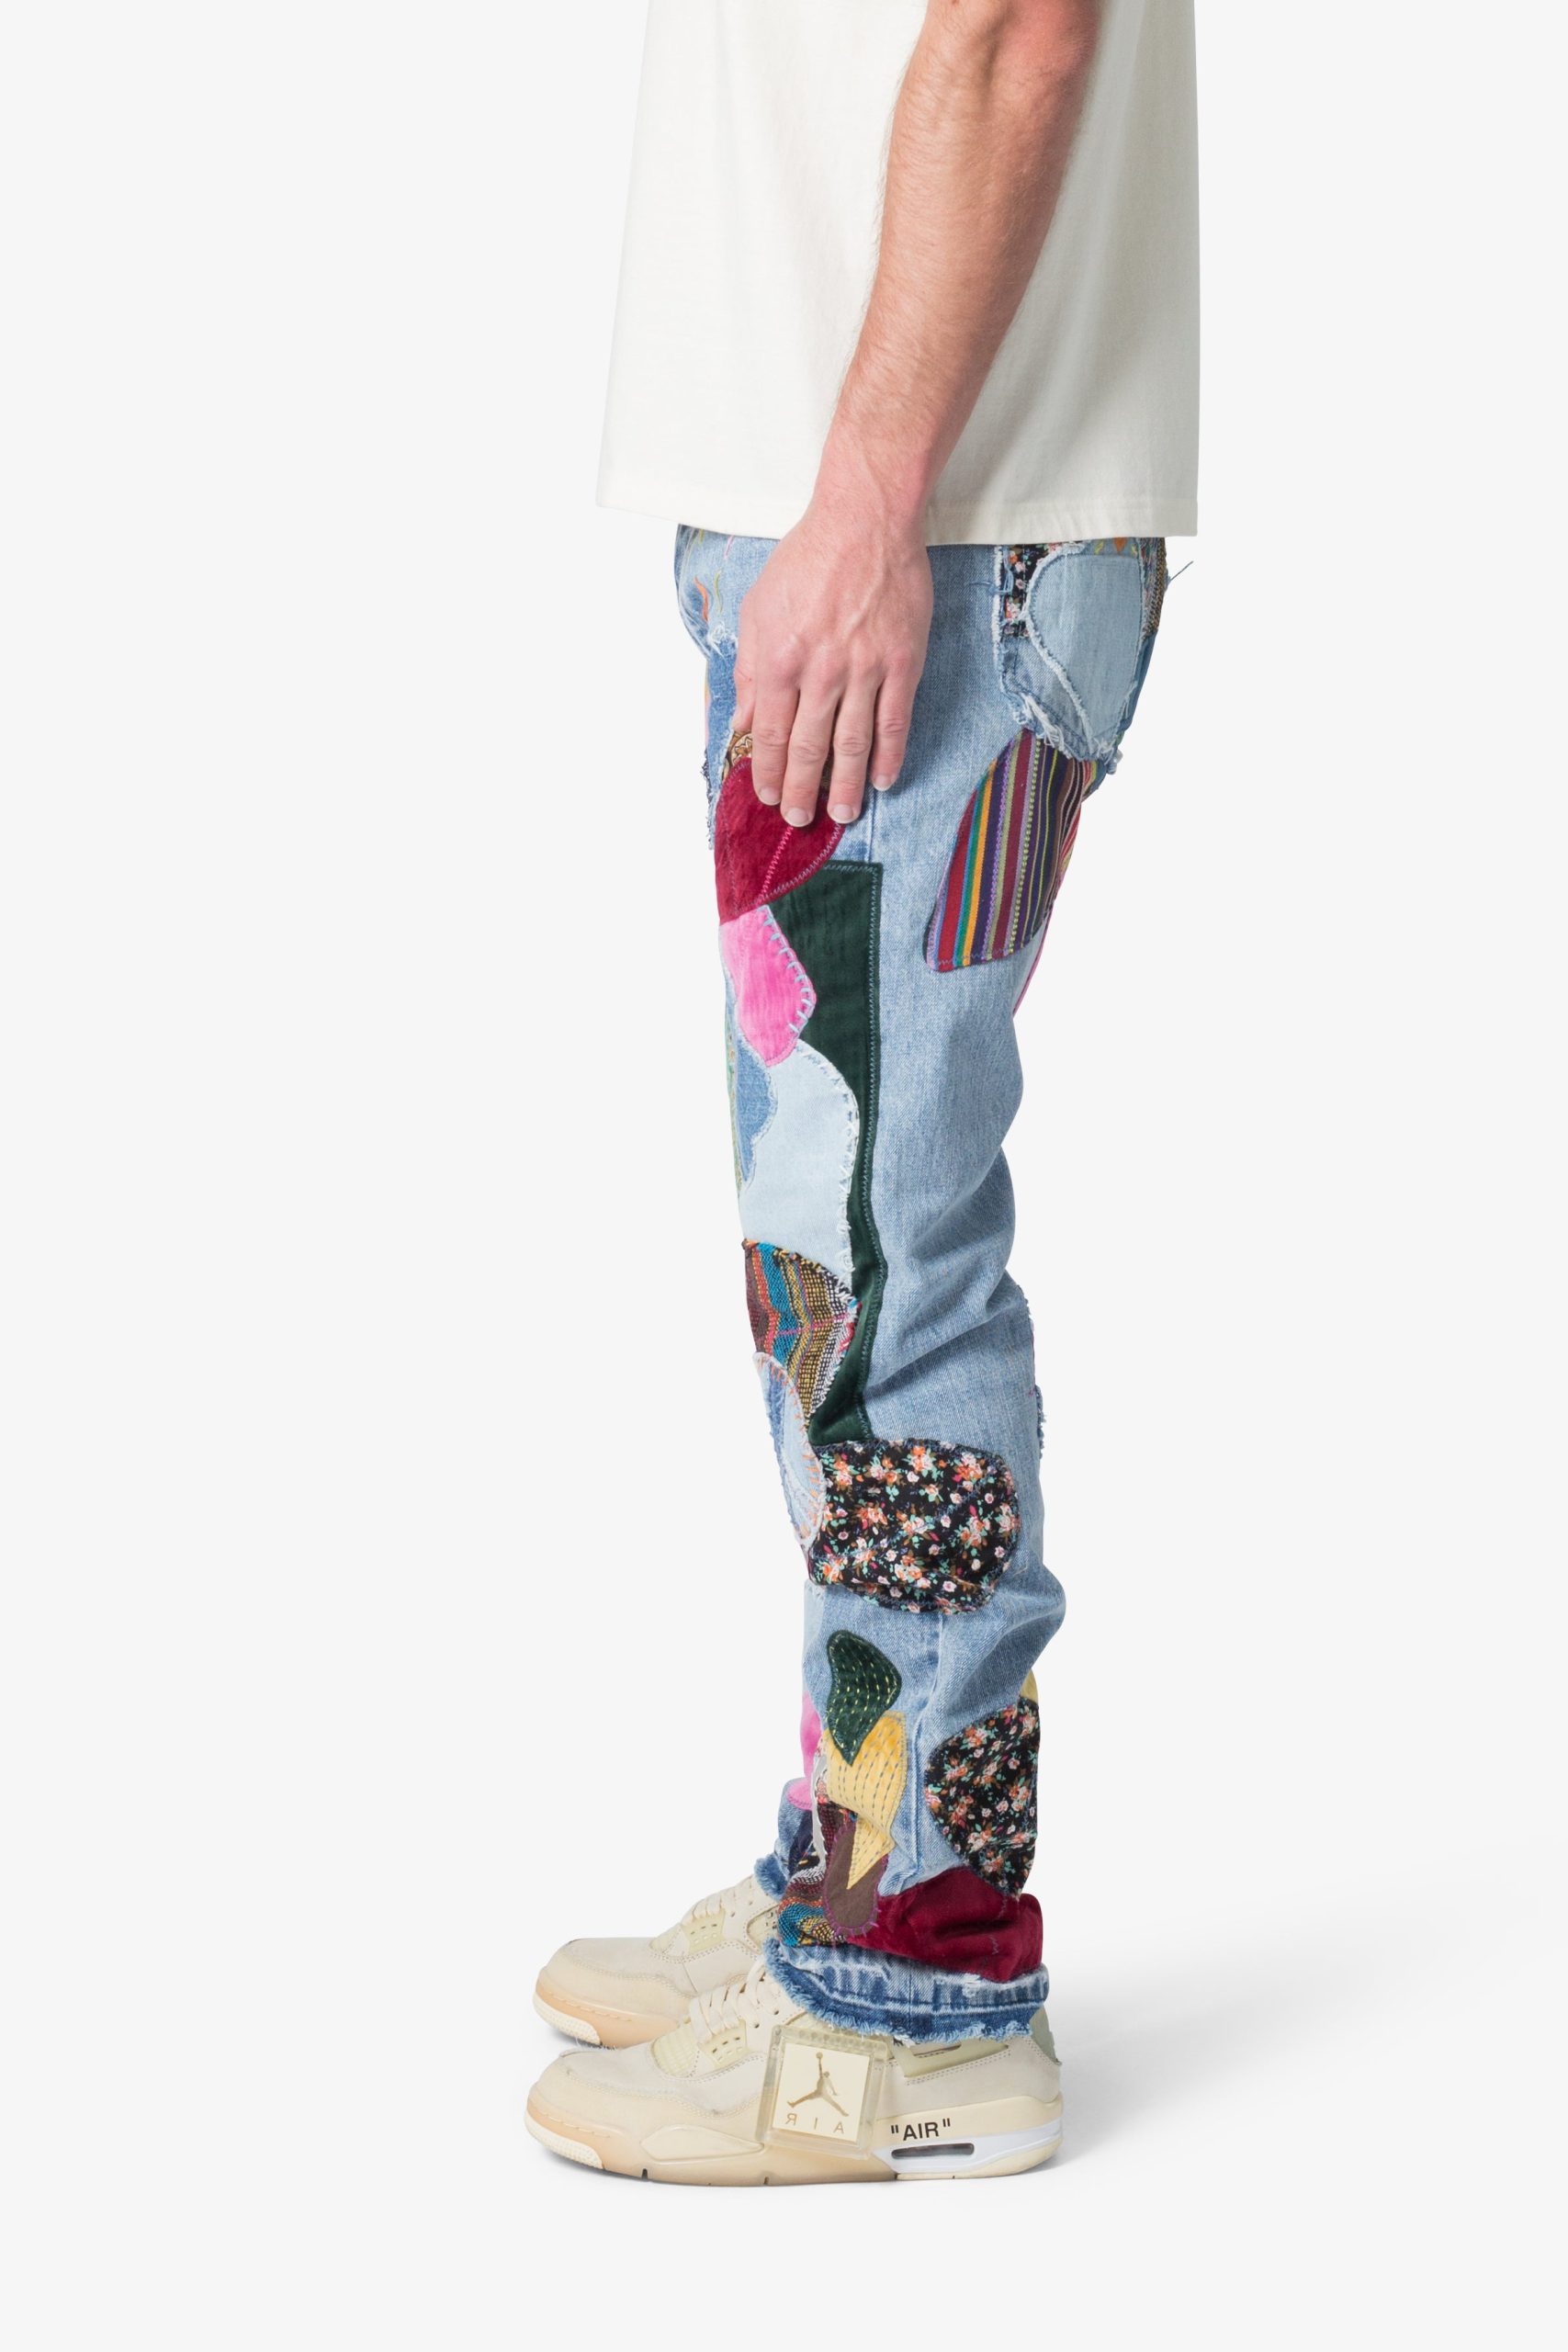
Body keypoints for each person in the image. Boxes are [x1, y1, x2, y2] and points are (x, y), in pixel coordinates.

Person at [528, 0, 1198, 2186]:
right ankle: (856, 1854)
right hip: (872, 518)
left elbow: (1018, 31)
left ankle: (921, 1982)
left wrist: (870, 496)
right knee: (828, 1269)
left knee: (877, 1275)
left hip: (926, 532)